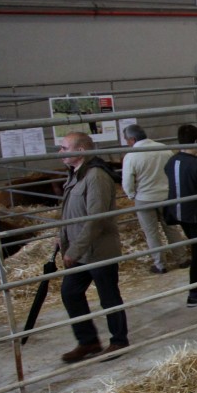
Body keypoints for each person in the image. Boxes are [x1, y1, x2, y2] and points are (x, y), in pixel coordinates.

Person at [57, 131, 129, 363]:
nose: (60, 152)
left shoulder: (95, 176)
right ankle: (88, 341)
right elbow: (72, 212)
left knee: (108, 296)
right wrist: (63, 237)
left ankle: (118, 341)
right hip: (80, 249)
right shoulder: (76, 174)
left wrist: (74, 250)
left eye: (64, 148)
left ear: (80, 151)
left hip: (98, 250)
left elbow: (96, 218)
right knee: (70, 293)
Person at [122, 124, 185, 274]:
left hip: (145, 197)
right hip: (166, 195)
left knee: (151, 232)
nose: (126, 143)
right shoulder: (164, 149)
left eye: (126, 140)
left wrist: (131, 195)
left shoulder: (131, 155)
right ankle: (182, 258)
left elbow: (127, 181)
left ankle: (160, 264)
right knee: (171, 227)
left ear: (132, 139)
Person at [165, 124, 197, 308]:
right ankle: (193, 292)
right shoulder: (196, 163)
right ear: (195, 141)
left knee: (196, 246)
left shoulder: (172, 161)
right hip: (196, 213)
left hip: (178, 212)